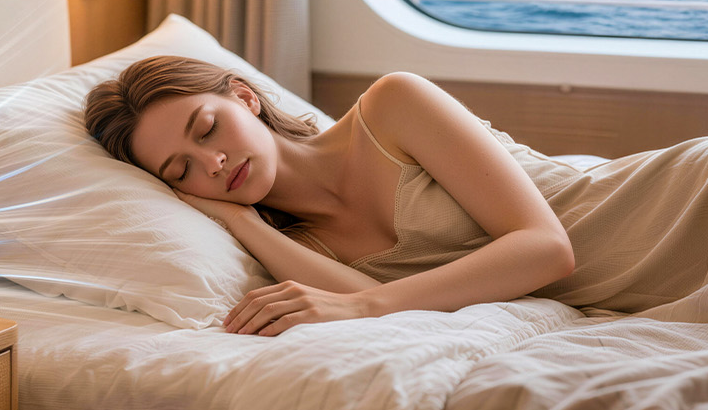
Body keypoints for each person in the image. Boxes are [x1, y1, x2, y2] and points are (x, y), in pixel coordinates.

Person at [84, 55, 575, 336]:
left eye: (208, 129)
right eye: (182, 168)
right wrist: (242, 223)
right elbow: (387, 309)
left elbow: (546, 249)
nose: (211, 163)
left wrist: (365, 307)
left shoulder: (392, 107)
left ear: (244, 97)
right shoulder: (302, 250)